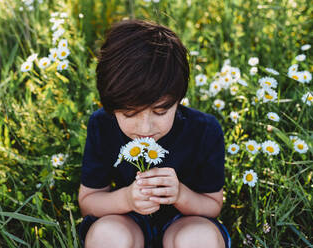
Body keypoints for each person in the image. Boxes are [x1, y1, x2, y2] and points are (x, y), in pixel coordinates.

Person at [78, 19, 231, 248]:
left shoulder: (204, 130)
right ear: (110, 106)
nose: (145, 129)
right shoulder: (102, 125)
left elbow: (212, 204)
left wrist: (180, 195)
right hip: (125, 219)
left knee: (199, 240)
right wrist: (127, 198)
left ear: (178, 100)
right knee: (107, 236)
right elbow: (89, 201)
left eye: (160, 112)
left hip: (187, 222)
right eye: (129, 114)